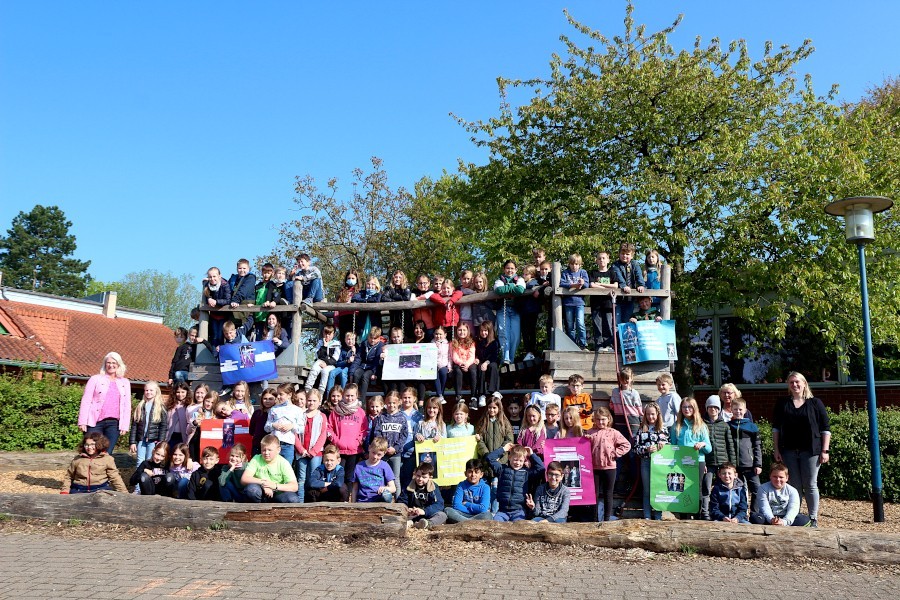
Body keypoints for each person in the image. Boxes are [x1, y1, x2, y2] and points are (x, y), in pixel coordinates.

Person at [772, 371, 831, 527]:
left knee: (811, 484)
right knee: (794, 486)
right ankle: (795, 516)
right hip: (788, 450)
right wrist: (776, 449)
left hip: (811, 451)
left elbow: (825, 428)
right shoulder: (782, 403)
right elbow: (776, 428)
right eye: (791, 382)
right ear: (788, 386)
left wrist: (825, 450)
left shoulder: (815, 403)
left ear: (804, 383)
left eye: (797, 382)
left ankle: (813, 518)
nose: (795, 385)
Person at [78, 352, 132, 452]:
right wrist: (82, 422)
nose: (111, 365)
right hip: (95, 422)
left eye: (114, 363)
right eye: (108, 362)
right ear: (105, 364)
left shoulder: (125, 382)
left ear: (119, 364)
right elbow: (86, 400)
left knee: (106, 453)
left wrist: (125, 425)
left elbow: (127, 405)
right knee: (92, 450)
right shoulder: (95, 379)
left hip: (114, 424)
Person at [586, 407, 631, 521]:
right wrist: (585, 440)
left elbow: (626, 445)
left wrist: (615, 453)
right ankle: (594, 518)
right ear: (594, 420)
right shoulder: (590, 432)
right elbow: (583, 447)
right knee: (594, 494)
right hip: (594, 468)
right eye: (598, 419)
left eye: (603, 419)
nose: (600, 422)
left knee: (608, 493)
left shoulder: (614, 433)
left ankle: (606, 519)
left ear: (608, 419)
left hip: (609, 467)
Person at [668, 397, 712, 515]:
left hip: (697, 461)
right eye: (684, 407)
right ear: (681, 409)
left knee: (696, 488)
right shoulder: (676, 425)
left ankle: (697, 515)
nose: (687, 409)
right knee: (681, 487)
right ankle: (683, 515)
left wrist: (703, 444)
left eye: (689, 407)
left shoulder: (701, 425)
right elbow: (672, 445)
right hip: (681, 462)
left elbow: (709, 448)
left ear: (694, 408)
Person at [487, 443, 545, 521]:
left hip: (519, 511)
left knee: (519, 529)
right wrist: (503, 449)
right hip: (502, 510)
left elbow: (541, 468)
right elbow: (490, 458)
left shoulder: (526, 473)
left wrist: (531, 454)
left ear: (524, 460)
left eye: (521, 460)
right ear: (509, 457)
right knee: (496, 525)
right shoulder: (502, 470)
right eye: (515, 459)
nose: (518, 463)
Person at [701, 395, 735, 520]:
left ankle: (724, 512)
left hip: (723, 462)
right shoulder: (702, 424)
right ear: (707, 408)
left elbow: (730, 445)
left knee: (723, 487)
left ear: (719, 409)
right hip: (708, 462)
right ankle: (705, 512)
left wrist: (732, 464)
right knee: (706, 487)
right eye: (710, 407)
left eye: (716, 407)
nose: (713, 409)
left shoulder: (724, 425)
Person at [632, 401, 669, 520]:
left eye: (653, 414)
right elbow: (635, 448)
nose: (650, 417)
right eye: (648, 414)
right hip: (646, 463)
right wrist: (646, 449)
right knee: (647, 490)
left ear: (658, 414)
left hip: (660, 464)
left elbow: (671, 447)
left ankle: (658, 516)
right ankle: (647, 516)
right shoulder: (641, 429)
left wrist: (664, 445)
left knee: (659, 489)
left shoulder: (663, 429)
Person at [240, 435, 301, 503]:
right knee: (252, 490)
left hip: (278, 494)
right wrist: (264, 484)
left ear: (278, 450)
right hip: (260, 493)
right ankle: (257, 511)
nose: (266, 453)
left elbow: (294, 486)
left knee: (293, 499)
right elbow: (244, 479)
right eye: (263, 450)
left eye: (269, 450)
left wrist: (274, 486)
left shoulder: (284, 463)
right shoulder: (256, 459)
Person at [61, 432, 127, 494]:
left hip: (100, 489)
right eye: (86, 445)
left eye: (92, 444)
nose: (89, 447)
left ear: (99, 444)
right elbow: (69, 477)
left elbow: (115, 477)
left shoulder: (107, 459)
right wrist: (65, 491)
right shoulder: (78, 459)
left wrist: (124, 493)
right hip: (79, 489)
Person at [728, 397, 763, 512]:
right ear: (731, 410)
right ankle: (740, 513)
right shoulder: (728, 426)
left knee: (757, 489)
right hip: (734, 466)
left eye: (740, 409)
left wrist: (758, 464)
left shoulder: (752, 427)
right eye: (735, 409)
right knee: (738, 489)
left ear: (745, 410)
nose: (738, 412)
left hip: (750, 464)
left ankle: (754, 513)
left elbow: (757, 446)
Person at [327, 383, 368, 478]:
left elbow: (365, 429)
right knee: (338, 476)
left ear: (357, 395)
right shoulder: (336, 411)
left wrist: (358, 441)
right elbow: (329, 428)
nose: (349, 398)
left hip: (354, 450)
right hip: (339, 450)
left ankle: (349, 493)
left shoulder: (360, 412)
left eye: (352, 396)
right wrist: (336, 441)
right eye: (347, 395)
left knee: (350, 476)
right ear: (343, 395)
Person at [295, 389, 328, 502]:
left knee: (313, 478)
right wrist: (301, 449)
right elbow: (295, 434)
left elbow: (323, 435)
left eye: (314, 400)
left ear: (319, 402)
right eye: (309, 400)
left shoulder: (322, 416)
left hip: (316, 453)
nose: (311, 403)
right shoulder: (300, 415)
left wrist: (313, 451)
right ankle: (300, 502)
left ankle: (312, 501)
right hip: (302, 453)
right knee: (301, 478)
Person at [371, 390, 408, 486]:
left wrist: (395, 448)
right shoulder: (381, 417)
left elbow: (404, 435)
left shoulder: (402, 418)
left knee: (395, 478)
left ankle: (397, 500)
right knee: (380, 476)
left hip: (395, 454)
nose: (391, 405)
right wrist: (383, 448)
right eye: (389, 403)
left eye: (394, 403)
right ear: (386, 403)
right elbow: (377, 433)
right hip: (382, 453)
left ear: (399, 402)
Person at [264, 382, 305, 465]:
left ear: (289, 395)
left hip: (288, 446)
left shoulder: (297, 410)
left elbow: (301, 428)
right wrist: (273, 425)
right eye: (277, 394)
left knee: (286, 468)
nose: (278, 397)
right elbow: (266, 427)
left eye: (281, 394)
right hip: (274, 445)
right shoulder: (274, 409)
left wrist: (292, 426)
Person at [128, 381, 169, 464]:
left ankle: (148, 476)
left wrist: (160, 441)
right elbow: (134, 425)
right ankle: (139, 476)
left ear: (156, 391)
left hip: (153, 441)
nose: (148, 392)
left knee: (150, 460)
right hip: (141, 440)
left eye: (151, 390)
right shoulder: (140, 406)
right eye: (146, 390)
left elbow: (163, 426)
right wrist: (132, 442)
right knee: (140, 461)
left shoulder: (160, 407)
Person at [493, 260, 525, 364]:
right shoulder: (499, 280)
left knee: (515, 336)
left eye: (512, 268)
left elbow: (520, 290)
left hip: (515, 310)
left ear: (516, 270)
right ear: (504, 269)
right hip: (503, 309)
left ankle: (511, 358)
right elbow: (499, 290)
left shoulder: (520, 279)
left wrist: (507, 288)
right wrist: (512, 287)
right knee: (504, 333)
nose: (510, 270)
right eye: (507, 268)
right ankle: (505, 358)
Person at [398, 462, 447, 529]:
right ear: (415, 474)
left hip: (427, 514)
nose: (420, 479)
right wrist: (407, 509)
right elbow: (401, 501)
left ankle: (427, 523)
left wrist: (424, 511)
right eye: (418, 476)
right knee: (399, 515)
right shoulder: (408, 485)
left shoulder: (433, 487)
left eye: (424, 477)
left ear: (430, 477)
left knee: (442, 515)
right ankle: (411, 522)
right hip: (413, 514)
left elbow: (439, 504)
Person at [350, 436, 396, 503]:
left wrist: (385, 488)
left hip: (378, 501)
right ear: (369, 448)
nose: (375, 456)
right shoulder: (359, 466)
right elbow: (355, 489)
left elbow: (393, 488)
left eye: (379, 454)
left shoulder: (385, 466)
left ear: (384, 453)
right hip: (362, 501)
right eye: (373, 453)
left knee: (387, 496)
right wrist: (353, 505)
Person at [611, 242, 645, 330]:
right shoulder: (615, 265)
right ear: (619, 254)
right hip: (618, 299)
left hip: (630, 299)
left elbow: (639, 276)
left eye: (627, 254)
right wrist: (624, 286)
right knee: (616, 322)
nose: (624, 256)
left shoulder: (635, 264)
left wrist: (641, 285)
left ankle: (626, 343)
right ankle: (617, 342)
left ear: (632, 255)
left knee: (628, 321)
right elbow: (618, 277)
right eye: (622, 253)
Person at [559, 253, 590, 349]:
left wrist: (582, 283)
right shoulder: (565, 273)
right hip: (568, 303)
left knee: (580, 323)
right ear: (569, 264)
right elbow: (561, 283)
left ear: (580, 264)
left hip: (579, 302)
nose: (574, 266)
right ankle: (571, 344)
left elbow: (587, 284)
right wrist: (573, 285)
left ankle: (583, 344)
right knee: (570, 325)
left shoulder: (583, 272)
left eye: (576, 264)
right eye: (572, 264)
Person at [589, 250, 617, 352]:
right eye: (599, 258)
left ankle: (608, 345)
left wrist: (600, 285)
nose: (601, 260)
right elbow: (592, 285)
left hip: (608, 304)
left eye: (604, 258)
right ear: (596, 261)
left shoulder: (612, 273)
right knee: (597, 326)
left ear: (608, 260)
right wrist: (606, 286)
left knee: (608, 325)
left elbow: (615, 285)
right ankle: (599, 346)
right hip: (596, 304)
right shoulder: (593, 273)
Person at [350, 325, 384, 401]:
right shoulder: (364, 344)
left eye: (375, 339)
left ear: (379, 338)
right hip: (363, 366)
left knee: (365, 376)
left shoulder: (380, 346)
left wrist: (374, 373)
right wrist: (351, 372)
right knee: (356, 374)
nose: (372, 340)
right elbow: (358, 358)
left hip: (372, 368)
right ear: (368, 337)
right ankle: (354, 396)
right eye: (371, 338)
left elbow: (377, 361)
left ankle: (362, 400)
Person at [306, 325, 341, 395]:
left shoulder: (336, 344)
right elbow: (317, 355)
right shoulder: (320, 342)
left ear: (333, 334)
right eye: (326, 334)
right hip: (320, 361)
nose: (327, 336)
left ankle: (321, 393)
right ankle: (307, 390)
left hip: (330, 364)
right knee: (314, 369)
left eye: (329, 334)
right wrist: (324, 346)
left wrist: (327, 363)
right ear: (323, 333)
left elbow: (335, 358)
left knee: (325, 372)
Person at [449, 323, 478, 407]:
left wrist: (467, 364)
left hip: (469, 362)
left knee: (473, 370)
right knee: (457, 370)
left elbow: (472, 356)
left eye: (464, 330)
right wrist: (462, 364)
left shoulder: (471, 342)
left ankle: (473, 398)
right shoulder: (453, 342)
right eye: (460, 330)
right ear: (456, 331)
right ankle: (458, 395)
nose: (462, 332)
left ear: (467, 331)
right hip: (459, 363)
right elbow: (454, 356)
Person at [203, 267, 232, 347]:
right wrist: (208, 298)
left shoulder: (225, 285)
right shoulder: (207, 285)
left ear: (219, 276)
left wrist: (216, 302)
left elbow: (228, 300)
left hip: (223, 316)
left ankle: (220, 355)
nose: (212, 279)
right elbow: (205, 296)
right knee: (214, 336)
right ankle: (213, 355)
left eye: (214, 276)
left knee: (220, 335)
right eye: (210, 277)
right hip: (213, 316)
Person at [518, 265, 542, 361]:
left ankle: (532, 350)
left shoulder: (533, 282)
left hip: (532, 310)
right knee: (524, 331)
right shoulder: (524, 282)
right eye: (523, 274)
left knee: (531, 331)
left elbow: (531, 287)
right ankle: (527, 350)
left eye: (526, 274)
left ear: (532, 275)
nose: (524, 276)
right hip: (524, 311)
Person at [475, 321, 501, 407]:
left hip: (490, 361)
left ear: (490, 331)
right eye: (481, 331)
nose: (483, 333)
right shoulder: (478, 341)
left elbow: (495, 355)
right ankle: (482, 394)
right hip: (481, 361)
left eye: (485, 331)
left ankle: (494, 391)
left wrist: (487, 362)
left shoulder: (495, 342)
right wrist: (476, 358)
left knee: (494, 366)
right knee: (480, 368)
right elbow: (475, 353)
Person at [382, 269, 413, 336]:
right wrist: (395, 301)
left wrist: (393, 297)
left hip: (406, 316)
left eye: (400, 277)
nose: (397, 279)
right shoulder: (389, 289)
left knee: (407, 335)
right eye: (396, 277)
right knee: (394, 335)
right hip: (394, 316)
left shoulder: (406, 288)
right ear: (393, 278)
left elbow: (406, 298)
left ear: (403, 279)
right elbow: (384, 298)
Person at [326, 330, 357, 397]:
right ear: (345, 340)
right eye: (348, 339)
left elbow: (356, 362)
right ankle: (328, 396)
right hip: (342, 366)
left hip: (350, 368)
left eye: (352, 339)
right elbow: (338, 363)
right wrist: (347, 361)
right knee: (332, 373)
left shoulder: (357, 349)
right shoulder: (342, 350)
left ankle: (343, 395)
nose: (350, 341)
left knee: (343, 374)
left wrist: (354, 352)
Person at [250, 387, 277, 456]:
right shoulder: (257, 413)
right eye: (265, 399)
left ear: (275, 400)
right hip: (257, 446)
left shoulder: (277, 414)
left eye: (270, 399)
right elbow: (251, 431)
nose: (267, 401)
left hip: (271, 447)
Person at [432, 326, 451, 405]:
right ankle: (440, 395)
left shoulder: (448, 344)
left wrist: (449, 366)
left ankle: (441, 394)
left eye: (440, 334)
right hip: (434, 365)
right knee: (434, 373)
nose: (438, 336)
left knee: (443, 372)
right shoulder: (431, 343)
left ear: (445, 335)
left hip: (444, 364)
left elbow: (450, 356)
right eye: (436, 334)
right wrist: (436, 347)